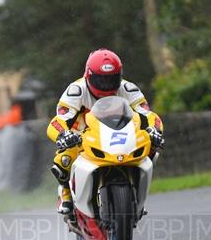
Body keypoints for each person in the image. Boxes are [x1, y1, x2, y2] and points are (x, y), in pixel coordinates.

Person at [46, 48, 165, 215]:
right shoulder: (76, 91)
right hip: (84, 133)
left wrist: (155, 130)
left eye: (112, 79)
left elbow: (148, 114)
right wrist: (63, 135)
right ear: (89, 76)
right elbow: (59, 120)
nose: (107, 85)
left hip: (120, 132)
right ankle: (65, 192)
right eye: (101, 80)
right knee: (64, 157)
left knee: (150, 148)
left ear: (120, 76)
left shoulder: (129, 89)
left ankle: (137, 195)